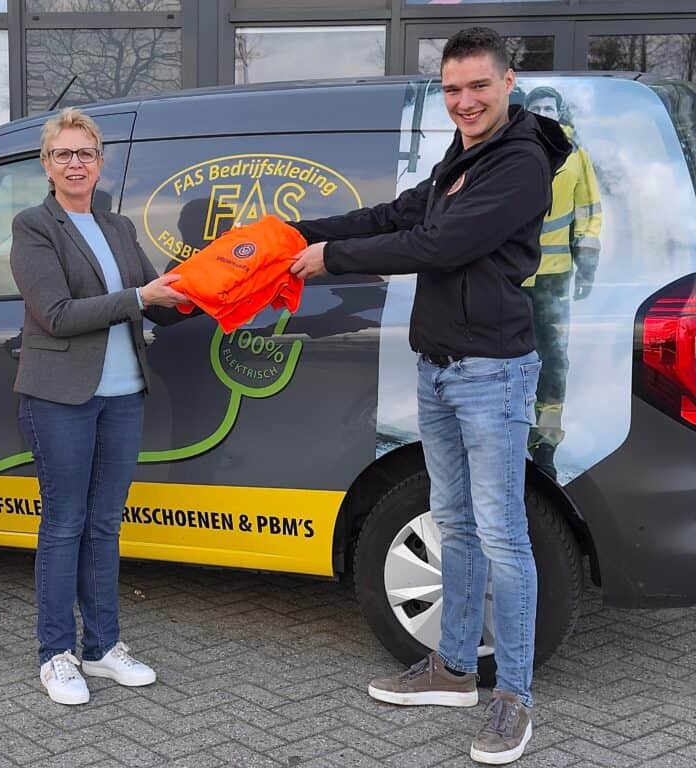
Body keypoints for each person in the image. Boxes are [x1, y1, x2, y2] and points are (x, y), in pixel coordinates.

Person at [290, 28, 569, 765]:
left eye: (478, 86)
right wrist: (294, 232)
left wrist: (329, 259)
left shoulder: (520, 163)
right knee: (454, 524)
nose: (464, 101)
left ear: (508, 82)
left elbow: (437, 245)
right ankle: (452, 670)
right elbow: (398, 214)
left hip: (491, 372)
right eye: (451, 89)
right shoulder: (464, 155)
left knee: (503, 535)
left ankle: (514, 698)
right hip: (440, 366)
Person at [10, 107, 189, 706]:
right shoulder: (34, 226)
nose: (75, 163)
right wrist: (139, 296)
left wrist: (211, 287)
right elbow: (56, 314)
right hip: (60, 397)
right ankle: (56, 653)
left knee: (106, 524)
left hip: (123, 395)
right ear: (46, 164)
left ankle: (102, 646)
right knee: (65, 524)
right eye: (62, 153)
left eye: (84, 153)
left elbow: (157, 302)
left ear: (100, 162)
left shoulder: (117, 227)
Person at [523, 85, 602, 478]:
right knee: (504, 359)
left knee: (553, 360)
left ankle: (545, 443)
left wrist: (587, 266)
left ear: (559, 111)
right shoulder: (510, 149)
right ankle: (507, 434)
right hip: (508, 277)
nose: (544, 112)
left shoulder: (575, 154)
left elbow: (589, 212)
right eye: (536, 106)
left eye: (549, 106)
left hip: (554, 280)